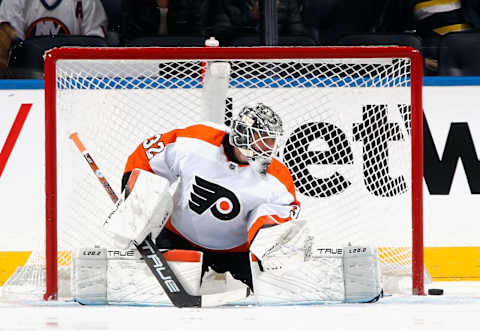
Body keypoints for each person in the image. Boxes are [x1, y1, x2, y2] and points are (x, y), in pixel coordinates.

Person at [117, 103, 300, 290]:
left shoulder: (278, 178)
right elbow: (147, 156)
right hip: (179, 240)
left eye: (273, 140)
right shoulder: (198, 140)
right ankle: (125, 268)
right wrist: (135, 200)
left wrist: (277, 253)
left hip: (239, 254)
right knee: (150, 289)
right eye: (264, 139)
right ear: (243, 134)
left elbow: (281, 220)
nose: (270, 147)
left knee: (275, 232)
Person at [376, 0, 480, 74]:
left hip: (473, 65)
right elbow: (389, 38)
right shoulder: (403, 3)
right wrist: (420, 60)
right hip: (427, 70)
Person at [0, 0, 108, 70]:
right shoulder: (13, 2)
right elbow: (11, 51)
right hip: (28, 79)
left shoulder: (88, 2)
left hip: (73, 80)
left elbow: (96, 49)